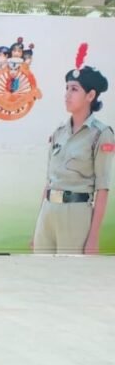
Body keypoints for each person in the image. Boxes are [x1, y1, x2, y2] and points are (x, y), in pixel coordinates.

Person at [32, 46, 113, 254]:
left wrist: (93, 237)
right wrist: (38, 226)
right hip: (48, 213)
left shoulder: (100, 134)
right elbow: (48, 181)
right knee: (40, 270)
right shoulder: (59, 132)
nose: (67, 94)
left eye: (74, 89)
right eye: (67, 88)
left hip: (76, 214)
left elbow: (102, 188)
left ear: (91, 95)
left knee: (69, 272)